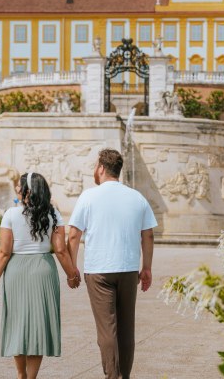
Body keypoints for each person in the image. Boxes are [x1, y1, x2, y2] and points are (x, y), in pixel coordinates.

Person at [67, 149, 157, 379]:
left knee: (107, 329)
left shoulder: (89, 196)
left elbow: (74, 235)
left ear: (101, 168)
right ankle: (123, 375)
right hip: (128, 269)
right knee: (126, 329)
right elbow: (148, 235)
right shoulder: (137, 197)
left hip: (98, 270)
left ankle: (111, 375)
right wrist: (146, 268)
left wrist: (71, 268)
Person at [0, 172, 79, 379]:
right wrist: (71, 275)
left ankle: (20, 375)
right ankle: (31, 378)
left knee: (17, 323)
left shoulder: (10, 214)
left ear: (25, 190)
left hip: (16, 270)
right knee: (38, 326)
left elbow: (3, 252)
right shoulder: (54, 214)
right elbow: (60, 250)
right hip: (43, 270)